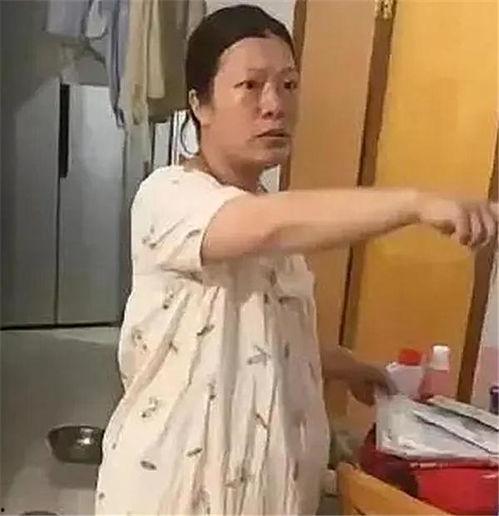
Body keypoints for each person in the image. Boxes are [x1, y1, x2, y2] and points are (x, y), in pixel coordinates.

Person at [95, 5, 498, 515]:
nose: (275, 105)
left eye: (288, 85)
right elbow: (265, 227)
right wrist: (415, 203)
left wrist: (353, 366)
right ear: (200, 104)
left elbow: (265, 334)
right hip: (178, 492)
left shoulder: (268, 214)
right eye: (251, 86)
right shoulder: (169, 196)